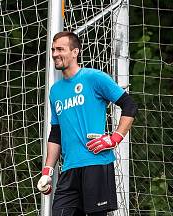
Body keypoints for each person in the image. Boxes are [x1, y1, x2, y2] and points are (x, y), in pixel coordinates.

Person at [36, 31, 138, 215]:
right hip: (69, 169)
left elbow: (129, 106)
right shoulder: (55, 91)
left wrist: (114, 138)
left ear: (75, 52)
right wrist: (47, 171)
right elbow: (56, 133)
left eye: (60, 49)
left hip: (96, 164)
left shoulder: (94, 78)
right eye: (53, 49)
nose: (54, 54)